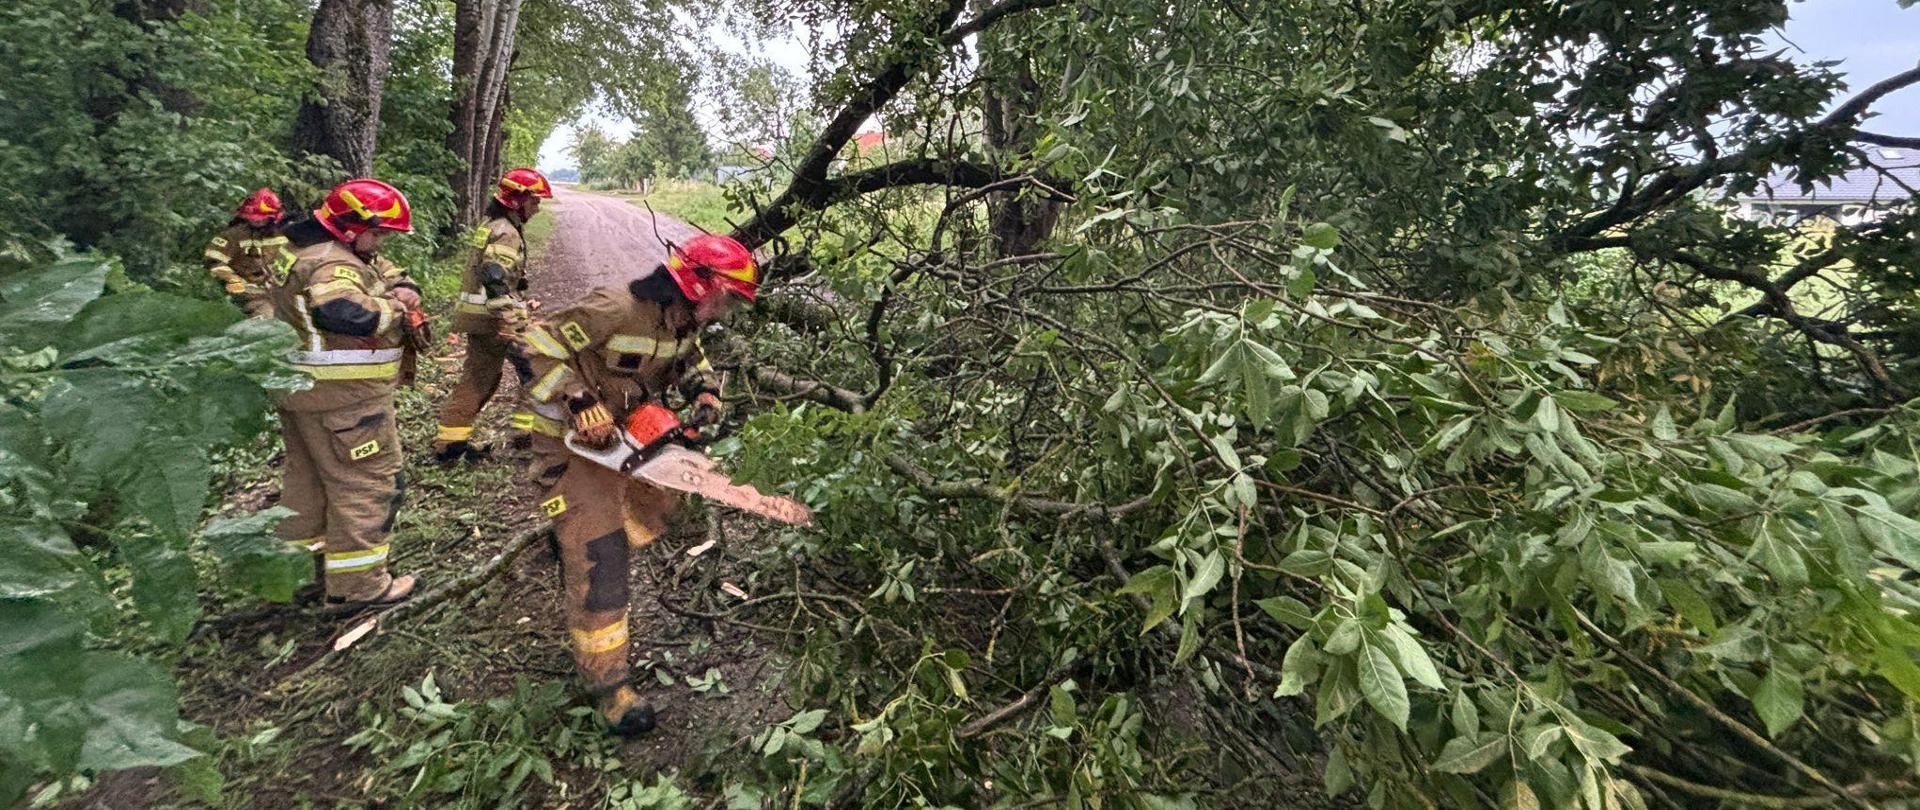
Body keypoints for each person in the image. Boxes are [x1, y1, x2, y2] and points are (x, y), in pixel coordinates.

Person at [514, 234, 757, 736]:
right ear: (700, 283)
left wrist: (706, 392)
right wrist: (578, 400)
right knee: (602, 556)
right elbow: (531, 346)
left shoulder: (683, 321)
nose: (726, 311)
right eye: (727, 298)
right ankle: (608, 686)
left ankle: (574, 534)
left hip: (624, 441)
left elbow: (692, 361)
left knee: (659, 509)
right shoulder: (616, 308)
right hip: (569, 443)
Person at [267, 178, 424, 608]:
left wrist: (405, 286)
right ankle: (359, 588)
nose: (383, 242)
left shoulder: (305, 247)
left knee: (307, 486)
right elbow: (341, 311)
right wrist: (397, 309)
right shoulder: (332, 264)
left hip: (302, 395)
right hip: (344, 401)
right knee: (367, 484)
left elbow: (383, 270)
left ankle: (295, 577)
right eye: (379, 233)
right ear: (352, 227)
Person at [433, 168, 554, 462]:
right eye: (534, 202)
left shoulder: (493, 224)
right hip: (495, 321)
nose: (537, 208)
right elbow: (492, 274)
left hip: (481, 318)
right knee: (537, 370)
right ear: (517, 201)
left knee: (479, 378)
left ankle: (451, 444)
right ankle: (525, 437)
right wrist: (510, 319)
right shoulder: (507, 233)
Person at [204, 188, 288, 317]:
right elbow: (213, 261)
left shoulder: (286, 234)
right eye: (253, 218)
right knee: (268, 319)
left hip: (284, 293)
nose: (256, 221)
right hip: (253, 295)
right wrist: (232, 279)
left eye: (262, 218)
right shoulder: (233, 235)